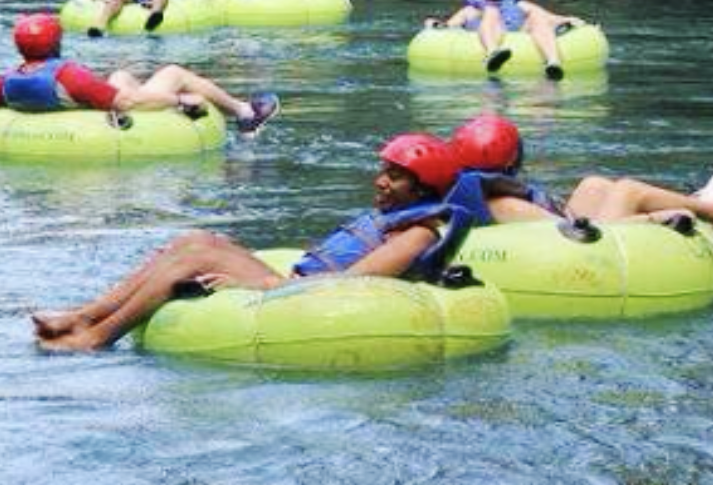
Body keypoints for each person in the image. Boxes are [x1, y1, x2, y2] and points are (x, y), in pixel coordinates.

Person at [29, 134, 477, 351]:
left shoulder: (418, 232)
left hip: (306, 295)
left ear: (423, 189)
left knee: (200, 255)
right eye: (383, 171)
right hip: (298, 278)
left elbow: (349, 284)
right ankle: (83, 316)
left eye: (395, 177)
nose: (380, 182)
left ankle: (98, 336)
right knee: (196, 239)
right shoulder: (395, 217)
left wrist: (259, 287)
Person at [0, 14, 279, 134]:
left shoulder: (8, 82)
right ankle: (246, 114)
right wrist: (180, 100)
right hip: (97, 124)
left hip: (59, 119)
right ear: (56, 43)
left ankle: (243, 112)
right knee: (173, 72)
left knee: (122, 74)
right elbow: (127, 103)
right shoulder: (69, 75)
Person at [448, 113, 713, 239]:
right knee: (628, 190)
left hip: (568, 230)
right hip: (582, 246)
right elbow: (569, 236)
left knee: (594, 185)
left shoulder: (485, 192)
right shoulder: (505, 205)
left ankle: (699, 203)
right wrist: (651, 219)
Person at [428, 0, 586, 79]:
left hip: (517, 35)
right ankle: (492, 53)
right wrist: (436, 24)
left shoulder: (519, 4)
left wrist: (567, 19)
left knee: (537, 15)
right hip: (484, 37)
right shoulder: (470, 10)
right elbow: (449, 27)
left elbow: (548, 17)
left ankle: (553, 62)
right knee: (491, 11)